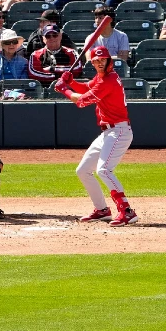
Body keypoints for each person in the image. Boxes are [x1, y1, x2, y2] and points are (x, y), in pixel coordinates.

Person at [51, 46, 137, 227]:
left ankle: (126, 211)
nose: (99, 62)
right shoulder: (102, 78)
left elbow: (82, 101)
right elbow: (85, 88)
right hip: (108, 132)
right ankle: (102, 210)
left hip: (119, 131)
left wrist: (64, 90)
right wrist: (71, 81)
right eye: (96, 60)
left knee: (104, 170)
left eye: (102, 60)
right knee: (83, 170)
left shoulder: (109, 80)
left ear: (109, 61)